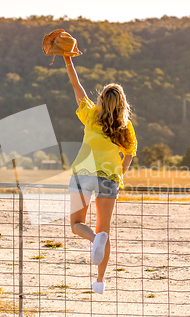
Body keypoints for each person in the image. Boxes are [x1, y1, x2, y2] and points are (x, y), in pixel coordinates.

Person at [63, 55, 137, 294]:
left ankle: (94, 239)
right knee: (105, 229)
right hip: (109, 178)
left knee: (77, 224)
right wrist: (119, 174)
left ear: (102, 100)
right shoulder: (125, 127)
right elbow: (129, 154)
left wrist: (67, 59)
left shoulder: (92, 115)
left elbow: (77, 86)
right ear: (122, 103)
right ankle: (100, 281)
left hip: (83, 172)